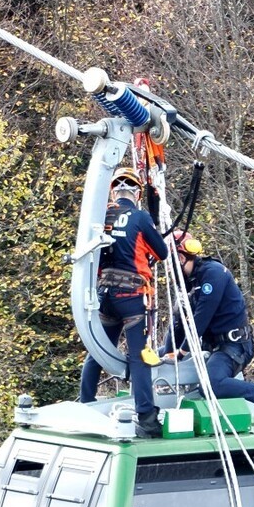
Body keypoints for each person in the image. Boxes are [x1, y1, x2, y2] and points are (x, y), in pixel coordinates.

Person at [79, 167, 169, 437]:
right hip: (131, 297)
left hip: (105, 294)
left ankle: (85, 402)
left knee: (98, 349)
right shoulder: (140, 218)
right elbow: (162, 252)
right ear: (137, 193)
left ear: (113, 192)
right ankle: (147, 416)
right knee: (139, 356)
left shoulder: (100, 217)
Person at [163, 230, 254, 430]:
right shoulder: (188, 284)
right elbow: (179, 323)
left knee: (211, 385)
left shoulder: (213, 274)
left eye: (169, 262)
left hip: (234, 345)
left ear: (181, 258)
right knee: (166, 361)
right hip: (212, 347)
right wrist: (166, 355)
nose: (168, 268)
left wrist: (182, 352)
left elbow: (201, 318)